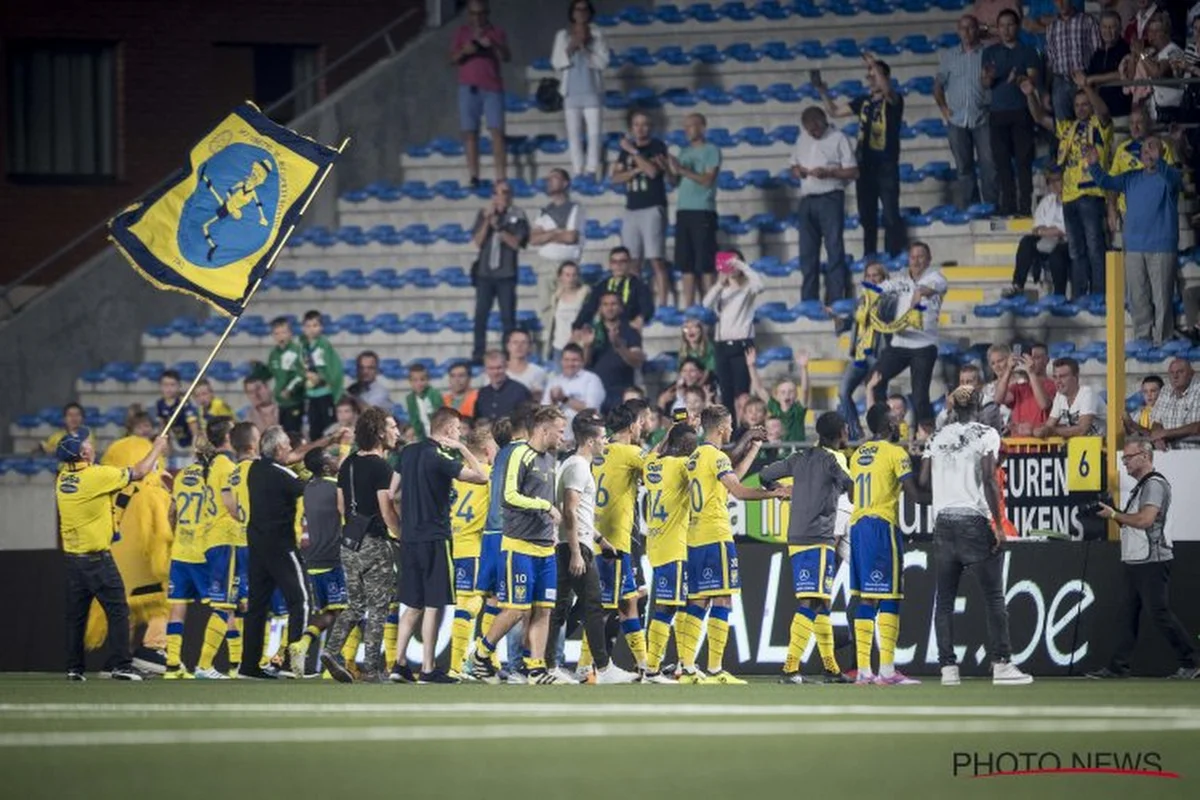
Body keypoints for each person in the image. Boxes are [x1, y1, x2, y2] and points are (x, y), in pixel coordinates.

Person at [922, 387, 1033, 686]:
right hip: (973, 520)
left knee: (944, 601)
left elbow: (922, 483)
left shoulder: (936, 436)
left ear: (952, 406)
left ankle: (948, 670)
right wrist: (998, 524)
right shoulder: (987, 434)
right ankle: (1001, 664)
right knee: (993, 597)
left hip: (943, 523)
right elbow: (988, 479)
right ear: (980, 404)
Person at [676, 405, 784, 683]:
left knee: (698, 600)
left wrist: (753, 449)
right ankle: (714, 669)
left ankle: (686, 667)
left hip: (695, 537)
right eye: (731, 424)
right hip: (716, 535)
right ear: (722, 428)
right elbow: (738, 491)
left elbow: (730, 476)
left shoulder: (697, 455)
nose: (733, 429)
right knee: (722, 598)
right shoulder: (716, 456)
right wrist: (776, 493)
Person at [58, 428, 169, 680]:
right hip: (97, 559)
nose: (92, 444)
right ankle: (121, 664)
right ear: (84, 453)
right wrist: (157, 448)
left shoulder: (64, 478)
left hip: (74, 561)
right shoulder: (95, 476)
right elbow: (139, 471)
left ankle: (74, 668)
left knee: (76, 616)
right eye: (87, 443)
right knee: (119, 610)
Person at [470, 407, 568, 684]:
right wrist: (545, 506)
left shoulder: (551, 458)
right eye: (560, 431)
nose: (563, 436)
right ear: (544, 429)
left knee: (543, 608)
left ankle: (535, 668)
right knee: (516, 609)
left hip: (545, 546)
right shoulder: (518, 454)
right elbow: (509, 496)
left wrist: (553, 527)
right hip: (519, 544)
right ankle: (481, 652)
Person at [391, 407, 489, 684]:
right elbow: (481, 477)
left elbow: (392, 492)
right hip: (435, 538)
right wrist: (462, 449)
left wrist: (405, 519)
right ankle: (428, 668)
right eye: (457, 430)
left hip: (409, 538)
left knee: (413, 603)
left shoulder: (407, 452)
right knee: (435, 604)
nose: (459, 434)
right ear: (447, 430)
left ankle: (398, 665)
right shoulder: (440, 458)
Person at [1087, 439, 1199, 679]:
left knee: (1158, 612)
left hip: (1152, 559)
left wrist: (1115, 513)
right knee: (1127, 614)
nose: (1124, 462)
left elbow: (1145, 520)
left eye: (1129, 457)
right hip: (1137, 559)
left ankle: (1192, 661)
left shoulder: (1154, 485)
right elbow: (1134, 521)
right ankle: (1118, 666)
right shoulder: (1142, 487)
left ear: (1145, 457)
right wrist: (1111, 511)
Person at [546, 411, 639, 684]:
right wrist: (576, 550)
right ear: (589, 442)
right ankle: (603, 666)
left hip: (575, 542)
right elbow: (570, 510)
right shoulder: (578, 466)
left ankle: (549, 665)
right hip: (574, 546)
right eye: (601, 438)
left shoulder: (572, 464)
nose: (605, 442)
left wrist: (599, 539)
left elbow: (580, 513)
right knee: (593, 605)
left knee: (560, 608)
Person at [759, 412, 853, 684]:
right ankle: (790, 668)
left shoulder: (799, 457)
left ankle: (830, 668)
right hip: (819, 537)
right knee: (811, 602)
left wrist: (782, 490)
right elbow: (848, 483)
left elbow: (765, 475)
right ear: (840, 434)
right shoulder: (834, 459)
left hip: (796, 536)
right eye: (846, 430)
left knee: (822, 602)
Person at [320, 408, 401, 683]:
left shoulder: (348, 463)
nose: (396, 432)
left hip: (349, 540)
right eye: (392, 427)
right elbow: (386, 510)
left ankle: (331, 650)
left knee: (355, 604)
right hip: (374, 540)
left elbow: (341, 505)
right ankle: (372, 668)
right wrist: (400, 534)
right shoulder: (381, 467)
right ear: (380, 432)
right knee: (378, 606)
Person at [848, 405, 923, 684]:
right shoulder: (896, 453)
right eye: (895, 419)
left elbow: (853, 495)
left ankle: (865, 671)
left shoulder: (858, 454)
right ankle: (888, 671)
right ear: (887, 425)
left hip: (858, 527)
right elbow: (915, 494)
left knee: (866, 597)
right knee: (890, 595)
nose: (899, 422)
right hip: (881, 526)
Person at [466, 402, 539, 679]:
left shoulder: (499, 460)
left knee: (497, 600)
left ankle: (488, 662)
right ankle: (500, 659)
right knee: (519, 605)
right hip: (508, 536)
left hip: (491, 535)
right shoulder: (519, 455)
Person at [1087, 135, 1181, 344]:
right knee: (1137, 298)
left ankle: (1163, 339)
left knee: (1162, 298)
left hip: (1162, 247)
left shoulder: (1170, 176)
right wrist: (1094, 165)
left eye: (1153, 149)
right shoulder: (1130, 177)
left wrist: (1160, 161)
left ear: (1162, 152)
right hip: (1134, 247)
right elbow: (1106, 181)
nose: (1148, 153)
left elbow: (1175, 180)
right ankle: (1142, 339)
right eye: (1145, 150)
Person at [1026, 72, 1112, 297]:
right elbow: (1038, 117)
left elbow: (1103, 111)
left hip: (1091, 194)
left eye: (1085, 104)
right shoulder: (1068, 128)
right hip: (1070, 197)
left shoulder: (1099, 125)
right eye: (1077, 105)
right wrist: (1030, 95)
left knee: (1094, 248)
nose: (1082, 108)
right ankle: (1081, 294)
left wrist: (1087, 86)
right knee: (1075, 251)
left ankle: (1099, 294)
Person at [236, 426, 311, 680]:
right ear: (278, 449)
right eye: (288, 444)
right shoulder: (281, 474)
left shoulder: (255, 470)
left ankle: (248, 665)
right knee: (300, 600)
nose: (290, 449)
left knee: (257, 607)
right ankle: (292, 662)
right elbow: (307, 490)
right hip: (281, 546)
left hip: (257, 546)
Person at [818, 53, 906, 258]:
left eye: (875, 75)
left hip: (886, 166)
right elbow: (834, 112)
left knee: (891, 215)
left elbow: (887, 90)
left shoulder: (895, 100)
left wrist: (874, 63)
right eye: (869, 76)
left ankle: (893, 256)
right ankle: (870, 258)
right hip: (865, 166)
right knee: (867, 217)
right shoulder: (863, 101)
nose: (871, 79)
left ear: (885, 77)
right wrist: (822, 91)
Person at [639, 421, 698, 683]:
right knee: (667, 607)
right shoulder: (682, 465)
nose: (695, 448)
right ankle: (652, 668)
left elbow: (655, 451)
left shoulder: (652, 463)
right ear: (685, 445)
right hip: (674, 546)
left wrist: (671, 431)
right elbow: (714, 464)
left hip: (655, 543)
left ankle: (682, 664)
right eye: (693, 443)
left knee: (674, 604)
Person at [869, 242, 948, 424]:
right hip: (900, 344)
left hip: (924, 345)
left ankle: (925, 438)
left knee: (920, 395)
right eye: (913, 257)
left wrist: (920, 292)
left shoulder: (936, 277)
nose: (916, 261)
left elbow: (933, 288)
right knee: (874, 380)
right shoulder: (900, 281)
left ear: (929, 260)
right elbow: (876, 290)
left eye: (921, 257)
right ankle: (882, 426)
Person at [790, 106, 858, 303]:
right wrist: (798, 171)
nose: (814, 133)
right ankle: (809, 300)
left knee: (834, 248)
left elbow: (853, 171)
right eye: (810, 130)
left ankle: (835, 297)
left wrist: (829, 172)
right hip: (807, 199)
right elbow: (793, 164)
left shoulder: (839, 138)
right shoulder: (802, 139)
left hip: (830, 197)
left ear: (824, 122)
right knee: (807, 252)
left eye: (816, 129)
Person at [447, 424, 495, 678]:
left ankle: (480, 661)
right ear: (488, 450)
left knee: (477, 600)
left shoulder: (458, 474)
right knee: (475, 601)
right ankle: (459, 664)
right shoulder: (486, 473)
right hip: (475, 546)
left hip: (455, 544)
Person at [983, 9, 1041, 217]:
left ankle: (1024, 206)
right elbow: (985, 83)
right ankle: (1007, 205)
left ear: (1017, 27)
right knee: (1002, 163)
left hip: (1022, 112)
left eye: (1010, 24)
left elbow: (1032, 79)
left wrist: (1020, 80)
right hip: (998, 114)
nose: (1006, 29)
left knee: (1024, 162)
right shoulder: (989, 52)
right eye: (1002, 25)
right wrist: (989, 78)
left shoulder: (1028, 51)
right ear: (997, 29)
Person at [936, 15, 997, 210]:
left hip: (983, 117)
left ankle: (990, 206)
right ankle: (972, 207)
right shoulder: (949, 56)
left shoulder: (989, 53)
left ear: (977, 29)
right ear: (958, 31)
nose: (967, 32)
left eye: (971, 28)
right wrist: (944, 108)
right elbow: (937, 85)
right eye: (963, 28)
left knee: (989, 166)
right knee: (964, 168)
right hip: (957, 120)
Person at [299, 446, 348, 679]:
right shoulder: (335, 487)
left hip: (313, 559)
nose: (337, 459)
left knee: (329, 612)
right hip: (333, 557)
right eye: (332, 457)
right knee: (344, 612)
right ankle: (335, 663)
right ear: (327, 466)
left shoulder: (308, 487)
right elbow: (345, 511)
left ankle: (302, 644)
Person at [612, 110, 671, 306]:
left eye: (644, 124)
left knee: (656, 259)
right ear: (631, 127)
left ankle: (662, 303)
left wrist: (634, 153)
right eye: (636, 124)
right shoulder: (625, 151)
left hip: (652, 206)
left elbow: (653, 172)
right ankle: (636, 302)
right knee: (633, 261)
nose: (640, 128)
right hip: (631, 208)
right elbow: (616, 178)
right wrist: (637, 167)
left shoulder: (657, 146)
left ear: (650, 127)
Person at [451, 0, 510, 187]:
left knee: (497, 132)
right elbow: (452, 59)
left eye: (481, 13)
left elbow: (506, 57)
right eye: (473, 13)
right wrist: (466, 50)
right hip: (468, 88)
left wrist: (492, 45)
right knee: (470, 132)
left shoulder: (497, 31)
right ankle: (474, 176)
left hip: (492, 87)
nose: (477, 18)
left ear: (487, 13)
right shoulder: (461, 33)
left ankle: (500, 176)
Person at [667, 112, 722, 307]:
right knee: (686, 264)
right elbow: (675, 182)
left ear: (702, 127)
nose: (687, 130)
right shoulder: (684, 152)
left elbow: (708, 180)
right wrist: (668, 169)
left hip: (703, 210)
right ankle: (688, 308)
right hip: (684, 211)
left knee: (706, 263)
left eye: (690, 126)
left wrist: (681, 170)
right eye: (685, 127)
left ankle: (710, 306)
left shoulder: (711, 150)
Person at [471, 181, 529, 363]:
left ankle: (508, 353)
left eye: (505, 192)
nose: (501, 196)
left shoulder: (518, 216)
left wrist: (500, 228)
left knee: (507, 318)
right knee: (481, 315)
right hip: (485, 273)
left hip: (506, 274)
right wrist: (488, 221)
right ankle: (478, 352)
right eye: (497, 193)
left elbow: (516, 243)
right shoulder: (484, 214)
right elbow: (478, 242)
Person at [551, 0, 610, 179]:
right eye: (578, 9)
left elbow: (604, 62)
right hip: (571, 92)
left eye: (585, 9)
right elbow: (556, 62)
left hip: (592, 90)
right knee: (574, 134)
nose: (581, 13)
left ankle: (591, 170)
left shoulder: (598, 34)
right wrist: (571, 47)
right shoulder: (563, 35)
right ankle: (577, 170)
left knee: (593, 134)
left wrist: (586, 48)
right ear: (572, 12)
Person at [704, 251, 763, 416]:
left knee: (742, 392)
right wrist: (719, 283)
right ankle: (729, 431)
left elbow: (760, 285)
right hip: (722, 344)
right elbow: (706, 303)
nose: (731, 266)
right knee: (726, 392)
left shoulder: (747, 288)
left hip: (742, 343)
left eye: (734, 262)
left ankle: (743, 429)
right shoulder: (722, 290)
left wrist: (740, 265)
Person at [529, 168, 585, 322]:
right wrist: (555, 233)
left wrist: (545, 235)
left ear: (565, 183)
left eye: (554, 178)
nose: (549, 181)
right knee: (547, 310)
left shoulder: (575, 207)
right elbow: (533, 239)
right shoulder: (543, 211)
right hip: (545, 266)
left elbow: (571, 236)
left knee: (567, 310)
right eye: (548, 178)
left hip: (566, 265)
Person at [1003, 168, 1070, 297]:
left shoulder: (1072, 201)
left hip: (1065, 243)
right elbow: (1036, 228)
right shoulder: (1047, 201)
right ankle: (1017, 285)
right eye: (1051, 182)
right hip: (1046, 241)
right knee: (1026, 242)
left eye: (1057, 180)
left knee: (1057, 254)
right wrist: (1049, 231)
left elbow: (1064, 230)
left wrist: (1046, 231)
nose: (1054, 184)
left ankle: (1059, 295)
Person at [576, 290, 646, 411]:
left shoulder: (630, 331)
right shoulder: (593, 331)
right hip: (595, 391)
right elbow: (584, 366)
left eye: (613, 304)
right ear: (600, 308)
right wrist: (587, 346)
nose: (609, 308)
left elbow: (637, 361)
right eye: (605, 304)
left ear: (620, 308)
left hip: (622, 392)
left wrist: (619, 346)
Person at [573, 245, 655, 330]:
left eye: (622, 261)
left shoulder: (639, 286)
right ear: (610, 264)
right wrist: (577, 326)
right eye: (614, 262)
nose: (618, 265)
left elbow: (647, 307)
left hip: (629, 330)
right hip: (605, 330)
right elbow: (589, 308)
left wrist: (641, 318)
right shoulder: (602, 286)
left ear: (629, 263)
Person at [1045, 0, 1101, 122]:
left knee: (1090, 122)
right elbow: (1050, 60)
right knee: (1064, 127)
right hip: (1060, 82)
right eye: (1057, 1)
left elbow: (1098, 52)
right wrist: (1047, 91)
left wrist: (1091, 80)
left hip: (1084, 80)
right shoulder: (1051, 27)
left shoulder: (1088, 21)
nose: (1061, 3)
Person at [541, 343, 604, 440]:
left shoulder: (591, 379)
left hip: (583, 437)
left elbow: (592, 412)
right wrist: (553, 400)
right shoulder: (554, 381)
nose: (570, 364)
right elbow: (545, 412)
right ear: (561, 361)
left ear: (582, 362)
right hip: (558, 437)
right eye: (566, 360)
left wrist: (564, 399)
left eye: (574, 360)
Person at [300, 310, 344, 444]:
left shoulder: (324, 345)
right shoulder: (302, 346)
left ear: (321, 327)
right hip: (311, 394)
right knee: (314, 429)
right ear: (303, 328)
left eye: (315, 325)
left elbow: (334, 370)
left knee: (329, 428)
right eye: (308, 326)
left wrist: (322, 379)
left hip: (325, 394)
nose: (311, 329)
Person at [994, 343, 1057, 435]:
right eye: (1030, 357)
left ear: (1046, 360)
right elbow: (998, 399)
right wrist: (1008, 370)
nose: (1032, 361)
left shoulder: (1053, 384)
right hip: (1016, 445)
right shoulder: (1019, 386)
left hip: (1040, 445)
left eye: (1037, 357)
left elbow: (1043, 404)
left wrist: (1031, 373)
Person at [1035, 357, 1105, 438]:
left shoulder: (1087, 393)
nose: (1058, 381)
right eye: (1055, 377)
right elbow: (1049, 425)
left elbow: (1082, 429)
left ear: (1076, 377)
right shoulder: (1059, 396)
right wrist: (1036, 430)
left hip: (1105, 447)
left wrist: (1052, 431)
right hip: (1080, 447)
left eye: (1063, 376)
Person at [1086, 10, 1133, 119]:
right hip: (1100, 115)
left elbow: (1123, 74)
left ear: (1120, 29)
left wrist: (1096, 79)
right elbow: (1089, 78)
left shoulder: (1126, 49)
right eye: (1105, 27)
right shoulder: (1097, 54)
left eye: (1112, 27)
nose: (1107, 31)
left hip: (1122, 112)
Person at [1146, 359, 1200, 449]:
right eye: (1171, 373)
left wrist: (1167, 433)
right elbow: (1156, 422)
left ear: (1191, 374)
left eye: (1180, 372)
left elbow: (1197, 427)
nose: (1175, 376)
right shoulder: (1165, 391)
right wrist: (1158, 438)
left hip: (1195, 453)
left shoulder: (1198, 390)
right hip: (1169, 454)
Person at [267, 316, 305, 434]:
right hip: (281, 402)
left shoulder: (297, 350)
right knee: (284, 434)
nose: (280, 336)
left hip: (295, 401)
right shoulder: (274, 354)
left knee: (293, 434)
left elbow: (301, 374)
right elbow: (271, 372)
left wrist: (290, 389)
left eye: (284, 332)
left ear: (290, 333)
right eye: (277, 333)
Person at [154, 369, 199, 470]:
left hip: (192, 442)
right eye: (165, 385)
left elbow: (195, 430)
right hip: (177, 441)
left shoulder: (185, 403)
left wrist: (195, 448)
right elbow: (163, 427)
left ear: (179, 386)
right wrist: (165, 446)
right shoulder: (160, 404)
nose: (168, 389)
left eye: (172, 385)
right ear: (160, 386)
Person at [546, 261, 588, 362]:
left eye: (574, 275)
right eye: (567, 275)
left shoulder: (585, 293)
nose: (571, 279)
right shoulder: (556, 296)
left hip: (579, 346)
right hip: (559, 345)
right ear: (560, 277)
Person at [475, 349, 532, 421]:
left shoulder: (520, 391)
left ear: (506, 366)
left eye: (499, 368)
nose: (495, 372)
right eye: (491, 368)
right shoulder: (482, 393)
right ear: (485, 369)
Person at [404, 362, 444, 442]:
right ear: (410, 382)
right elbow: (414, 420)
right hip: (422, 435)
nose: (419, 383)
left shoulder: (434, 394)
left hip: (438, 433)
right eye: (415, 380)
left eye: (422, 380)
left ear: (428, 380)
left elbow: (441, 414)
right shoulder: (410, 399)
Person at [505, 328, 548, 396]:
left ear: (529, 347)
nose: (519, 346)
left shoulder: (538, 372)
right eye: (515, 342)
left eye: (523, 342)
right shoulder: (497, 371)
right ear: (508, 346)